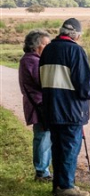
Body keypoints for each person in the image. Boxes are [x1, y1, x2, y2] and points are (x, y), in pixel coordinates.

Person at [39, 18, 90, 196]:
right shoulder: (75, 50)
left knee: (57, 147)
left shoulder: (48, 49)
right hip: (70, 109)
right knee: (69, 147)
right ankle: (66, 186)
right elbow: (84, 88)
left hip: (51, 108)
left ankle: (58, 185)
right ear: (76, 35)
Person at [19, 29, 53, 182]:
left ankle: (44, 170)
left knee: (45, 137)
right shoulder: (32, 60)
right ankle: (41, 172)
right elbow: (43, 81)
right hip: (38, 105)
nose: (48, 47)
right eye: (45, 44)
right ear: (35, 46)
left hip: (39, 105)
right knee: (42, 138)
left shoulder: (33, 59)